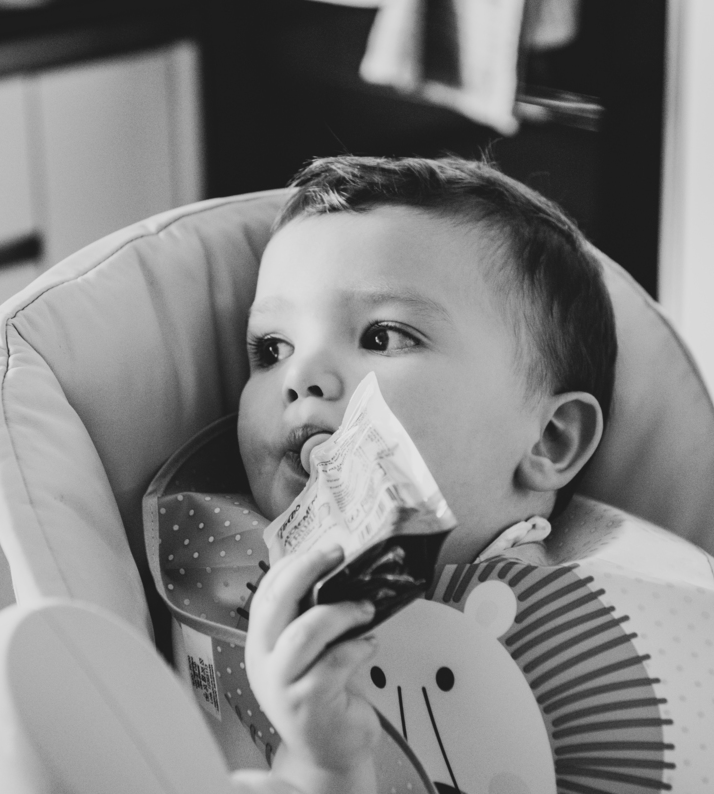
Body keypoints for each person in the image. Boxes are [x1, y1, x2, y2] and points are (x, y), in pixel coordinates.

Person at [232, 155, 617, 794]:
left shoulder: (593, 645)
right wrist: (315, 765)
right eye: (272, 349)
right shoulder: (221, 571)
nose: (299, 378)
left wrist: (325, 769)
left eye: (383, 337)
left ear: (550, 438)